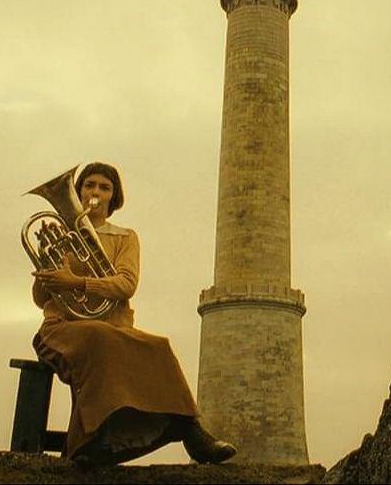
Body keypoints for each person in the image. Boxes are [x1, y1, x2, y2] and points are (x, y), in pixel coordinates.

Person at [30, 162, 236, 467]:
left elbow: (126, 284)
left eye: (104, 187)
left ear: (113, 197)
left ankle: (189, 429)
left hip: (113, 326)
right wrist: (46, 269)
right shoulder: (60, 236)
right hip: (61, 328)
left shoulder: (125, 237)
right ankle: (90, 442)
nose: (96, 192)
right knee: (99, 337)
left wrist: (77, 282)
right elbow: (40, 299)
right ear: (79, 191)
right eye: (89, 185)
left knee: (157, 346)